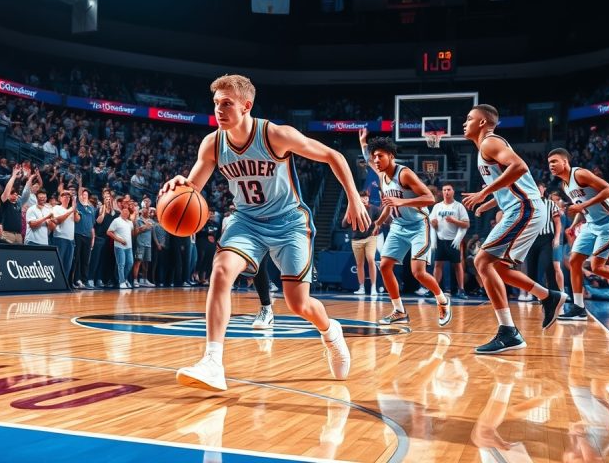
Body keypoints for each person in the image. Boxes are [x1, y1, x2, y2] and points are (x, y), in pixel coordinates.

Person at [161, 74, 369, 392]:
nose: (219, 109)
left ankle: (331, 332)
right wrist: (181, 184)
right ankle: (212, 362)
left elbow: (333, 156)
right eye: (216, 103)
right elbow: (193, 189)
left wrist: (353, 197)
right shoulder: (212, 144)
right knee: (220, 271)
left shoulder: (275, 135)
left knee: (298, 303)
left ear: (246, 106)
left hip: (289, 222)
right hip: (247, 221)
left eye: (227, 103)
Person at [461, 104, 566, 354]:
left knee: (482, 261)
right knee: (497, 267)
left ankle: (509, 332)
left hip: (525, 208)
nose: (464, 123)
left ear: (483, 122)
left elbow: (520, 167)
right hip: (521, 208)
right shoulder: (487, 147)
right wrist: (489, 202)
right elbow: (513, 184)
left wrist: (484, 192)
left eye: (469, 118)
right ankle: (548, 296)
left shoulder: (489, 142)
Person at [367, 137, 451, 327]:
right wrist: (379, 222)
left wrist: (402, 202)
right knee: (385, 266)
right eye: (374, 157)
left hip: (419, 225)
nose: (376, 160)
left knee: (418, 272)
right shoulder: (382, 178)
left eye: (380, 156)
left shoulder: (404, 174)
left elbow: (430, 198)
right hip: (398, 226)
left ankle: (442, 300)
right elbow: (390, 204)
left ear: (391, 156)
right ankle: (399, 311)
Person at [548, 148, 609, 321]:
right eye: (549, 163)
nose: (551, 165)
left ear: (565, 162)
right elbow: (582, 208)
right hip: (590, 223)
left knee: (597, 267)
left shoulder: (580, 174)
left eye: (554, 161)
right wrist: (574, 225)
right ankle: (579, 308)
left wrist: (582, 206)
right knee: (574, 261)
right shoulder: (565, 185)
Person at [430, 183, 470, 299]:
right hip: (440, 239)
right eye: (444, 190)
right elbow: (432, 223)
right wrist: (434, 224)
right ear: (442, 192)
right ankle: (435, 290)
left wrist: (454, 221)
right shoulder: (437, 206)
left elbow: (467, 224)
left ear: (453, 191)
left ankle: (461, 290)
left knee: (457, 265)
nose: (446, 192)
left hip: (454, 240)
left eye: (449, 190)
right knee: (438, 264)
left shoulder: (459, 206)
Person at [342, 190, 382, 296]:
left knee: (371, 259)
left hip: (370, 238)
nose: (364, 199)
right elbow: (344, 224)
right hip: (356, 240)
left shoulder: (374, 209)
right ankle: (361, 287)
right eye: (362, 197)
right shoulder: (353, 209)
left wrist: (375, 227)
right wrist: (349, 208)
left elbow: (381, 221)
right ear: (358, 199)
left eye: (366, 198)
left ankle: (373, 287)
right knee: (359, 264)